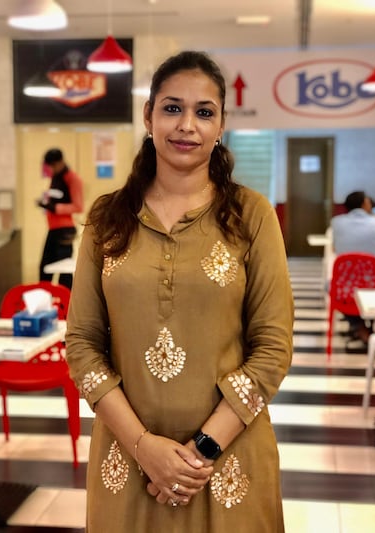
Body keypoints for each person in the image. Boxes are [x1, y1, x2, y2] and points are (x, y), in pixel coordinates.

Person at [65, 51, 294, 533]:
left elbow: (273, 349)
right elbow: (82, 344)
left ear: (220, 125)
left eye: (204, 112)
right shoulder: (107, 218)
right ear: (148, 116)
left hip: (229, 462)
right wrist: (144, 447)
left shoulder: (251, 216)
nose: (187, 125)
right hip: (126, 462)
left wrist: (201, 451)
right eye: (172, 108)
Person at [331, 190, 375, 344]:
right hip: (374, 288)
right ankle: (364, 329)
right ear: (364, 204)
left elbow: (335, 248)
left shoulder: (336, 223)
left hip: (343, 290)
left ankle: (358, 326)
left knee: (330, 286)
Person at [37, 148, 83, 289]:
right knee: (45, 269)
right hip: (54, 228)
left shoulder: (72, 178)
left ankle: (66, 301)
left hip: (65, 230)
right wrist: (45, 204)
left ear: (60, 162)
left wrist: (55, 208)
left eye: (53, 165)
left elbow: (78, 206)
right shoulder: (55, 178)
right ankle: (45, 299)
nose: (52, 168)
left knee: (64, 271)